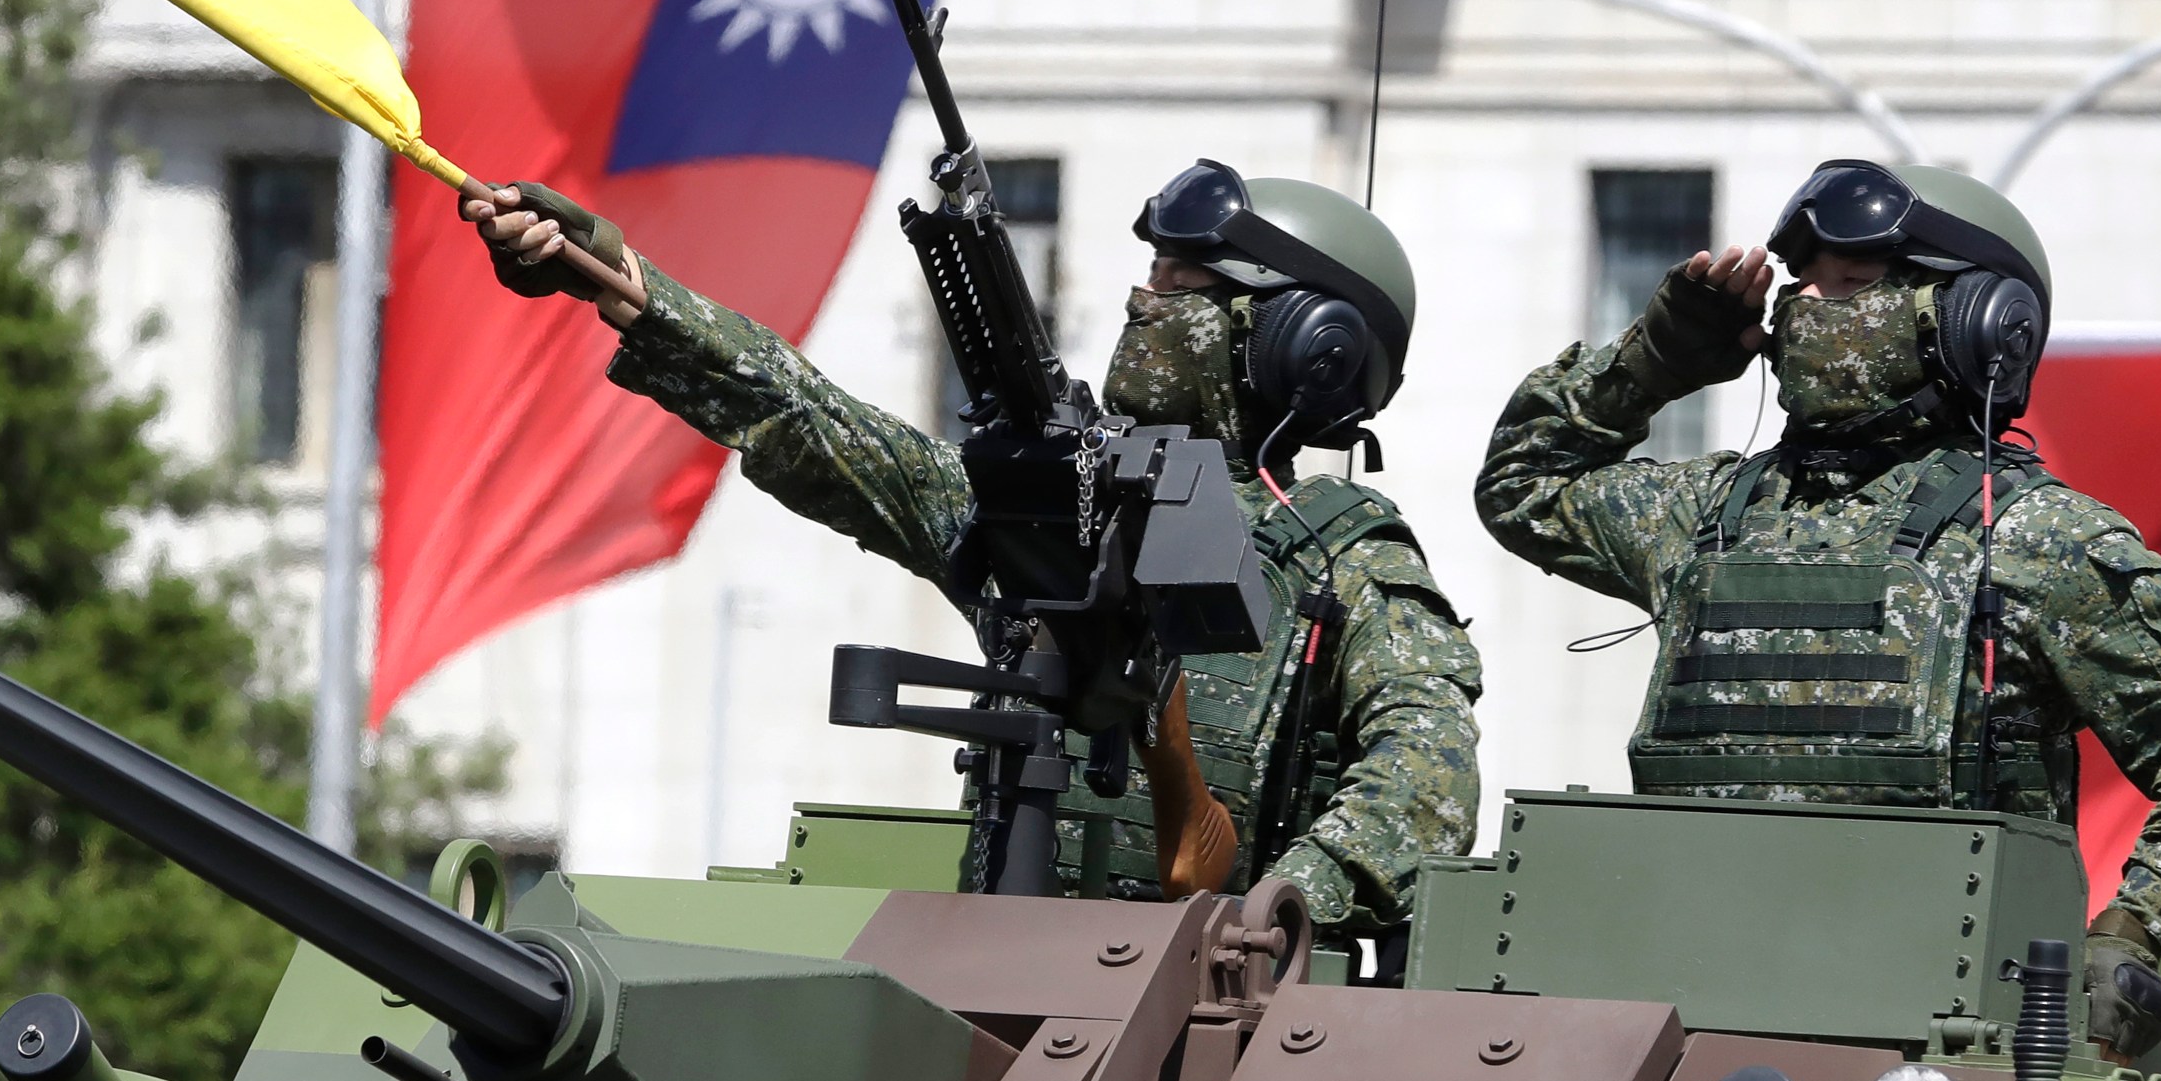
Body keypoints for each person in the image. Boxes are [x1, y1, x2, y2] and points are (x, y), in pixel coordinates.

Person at [461, 159, 1482, 940]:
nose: (1145, 299)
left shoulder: (1344, 561)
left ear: (1302, 340)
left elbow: (1424, 782)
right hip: (995, 960)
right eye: (1149, 271)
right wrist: (624, 284)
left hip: (1207, 1014)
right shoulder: (1059, 502)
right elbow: (813, 424)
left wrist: (1273, 914)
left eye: (1183, 281)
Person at [1474, 159, 2161, 1059]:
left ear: (1979, 323)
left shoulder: (2034, 538)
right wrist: (1655, 360)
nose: (1811, 306)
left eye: (1854, 283)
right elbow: (1523, 483)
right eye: (1805, 282)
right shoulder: (1700, 516)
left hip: (1936, 1049)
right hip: (1669, 1015)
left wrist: (2137, 926)